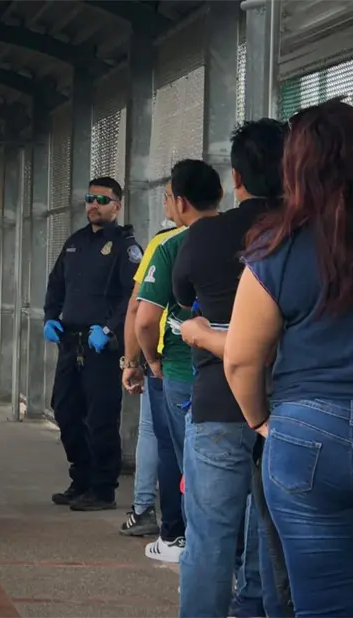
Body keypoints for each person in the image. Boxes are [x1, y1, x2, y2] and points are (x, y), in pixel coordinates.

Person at [224, 100, 353, 618]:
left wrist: (263, 423)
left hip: (303, 436)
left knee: (322, 606)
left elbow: (243, 360)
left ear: (296, 168)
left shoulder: (275, 247)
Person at [171, 119, 289, 618]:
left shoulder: (206, 234)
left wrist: (202, 330)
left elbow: (181, 296)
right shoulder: (305, 231)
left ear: (235, 179)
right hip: (288, 404)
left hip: (219, 400)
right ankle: (256, 608)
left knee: (210, 536)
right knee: (274, 529)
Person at [135, 159, 223, 564]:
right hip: (238, 368)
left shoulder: (171, 246)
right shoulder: (247, 238)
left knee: (184, 458)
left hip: (179, 371)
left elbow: (146, 318)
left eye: (168, 196)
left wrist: (149, 360)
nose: (167, 204)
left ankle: (184, 541)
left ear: (182, 202)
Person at [44, 177, 144, 511]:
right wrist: (50, 316)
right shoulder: (74, 243)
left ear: (117, 205)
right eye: (90, 198)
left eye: (102, 199)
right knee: (65, 410)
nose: (94, 205)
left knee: (101, 418)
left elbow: (133, 295)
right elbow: (56, 283)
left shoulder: (125, 246)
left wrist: (111, 329)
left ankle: (103, 488)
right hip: (71, 343)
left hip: (101, 345)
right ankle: (81, 477)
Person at [119, 203, 185, 538]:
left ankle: (154, 515)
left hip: (164, 359)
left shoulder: (164, 243)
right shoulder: (236, 237)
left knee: (162, 440)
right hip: (220, 360)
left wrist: (135, 361)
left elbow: (138, 309)